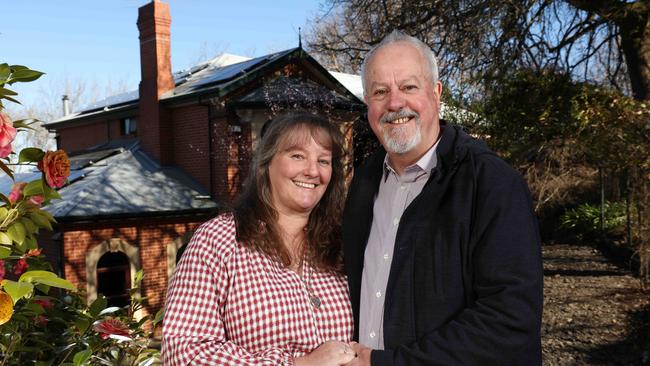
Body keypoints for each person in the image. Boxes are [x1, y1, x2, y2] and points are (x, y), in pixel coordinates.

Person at [343, 30, 543, 365]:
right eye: (380, 92)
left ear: (436, 93)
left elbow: (509, 321)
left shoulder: (489, 183)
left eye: (409, 87)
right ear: (368, 104)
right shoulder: (364, 183)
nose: (394, 103)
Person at [162, 112, 356, 365]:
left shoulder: (344, 242)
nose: (312, 171)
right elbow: (184, 352)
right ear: (267, 164)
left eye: (323, 161)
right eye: (297, 156)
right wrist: (298, 364)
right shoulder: (219, 240)